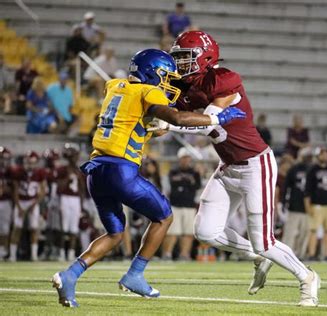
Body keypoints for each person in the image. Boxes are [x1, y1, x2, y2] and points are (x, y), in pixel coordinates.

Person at [51, 48, 245, 308]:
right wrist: (216, 116)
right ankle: (135, 275)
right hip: (121, 171)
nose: (166, 83)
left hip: (96, 170)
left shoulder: (115, 86)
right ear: (152, 73)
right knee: (164, 216)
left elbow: (127, 123)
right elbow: (176, 116)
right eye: (164, 76)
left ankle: (70, 276)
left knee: (115, 233)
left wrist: (150, 129)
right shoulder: (147, 91)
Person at [166, 31, 320, 306]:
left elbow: (209, 121)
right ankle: (257, 255)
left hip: (255, 165)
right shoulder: (183, 88)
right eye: (177, 58)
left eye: (185, 58)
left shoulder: (223, 79)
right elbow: (169, 115)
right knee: (206, 232)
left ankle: (307, 277)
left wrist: (168, 124)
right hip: (228, 167)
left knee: (265, 241)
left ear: (207, 56)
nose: (180, 64)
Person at [161, 147, 201, 261]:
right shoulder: (173, 171)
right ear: (180, 159)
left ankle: (184, 254)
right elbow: (172, 185)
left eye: (188, 158)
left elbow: (197, 186)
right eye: (184, 158)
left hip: (189, 205)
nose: (186, 160)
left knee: (188, 233)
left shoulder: (195, 172)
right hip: (175, 204)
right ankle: (167, 254)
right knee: (172, 232)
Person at [8, 151, 47, 262]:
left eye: (32, 163)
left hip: (33, 202)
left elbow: (43, 191)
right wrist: (19, 207)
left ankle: (34, 255)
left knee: (34, 229)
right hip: (20, 201)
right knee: (17, 228)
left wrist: (33, 205)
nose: (30, 165)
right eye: (28, 162)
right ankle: (12, 256)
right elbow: (15, 191)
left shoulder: (40, 173)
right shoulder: (18, 172)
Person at [304, 148, 327, 261]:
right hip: (317, 204)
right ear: (318, 156)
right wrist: (307, 205)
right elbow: (307, 189)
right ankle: (311, 254)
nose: (325, 157)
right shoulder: (312, 170)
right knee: (313, 230)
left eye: (326, 154)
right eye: (322, 154)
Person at [281, 147, 312, 259]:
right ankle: (285, 254)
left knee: (304, 233)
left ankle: (300, 255)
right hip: (294, 206)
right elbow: (286, 187)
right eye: (307, 156)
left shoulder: (313, 170)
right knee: (290, 232)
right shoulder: (293, 169)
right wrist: (284, 202)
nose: (308, 159)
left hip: (308, 208)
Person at [57, 144, 85, 261]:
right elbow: (59, 187)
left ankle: (71, 253)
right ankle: (62, 252)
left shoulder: (79, 170)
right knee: (64, 228)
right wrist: (67, 179)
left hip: (76, 200)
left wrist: (82, 204)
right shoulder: (63, 169)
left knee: (74, 228)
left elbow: (82, 189)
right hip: (65, 198)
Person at [0, 147, 13, 259]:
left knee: (5, 228)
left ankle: (3, 249)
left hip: (5, 201)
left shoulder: (11, 172)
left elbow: (13, 189)